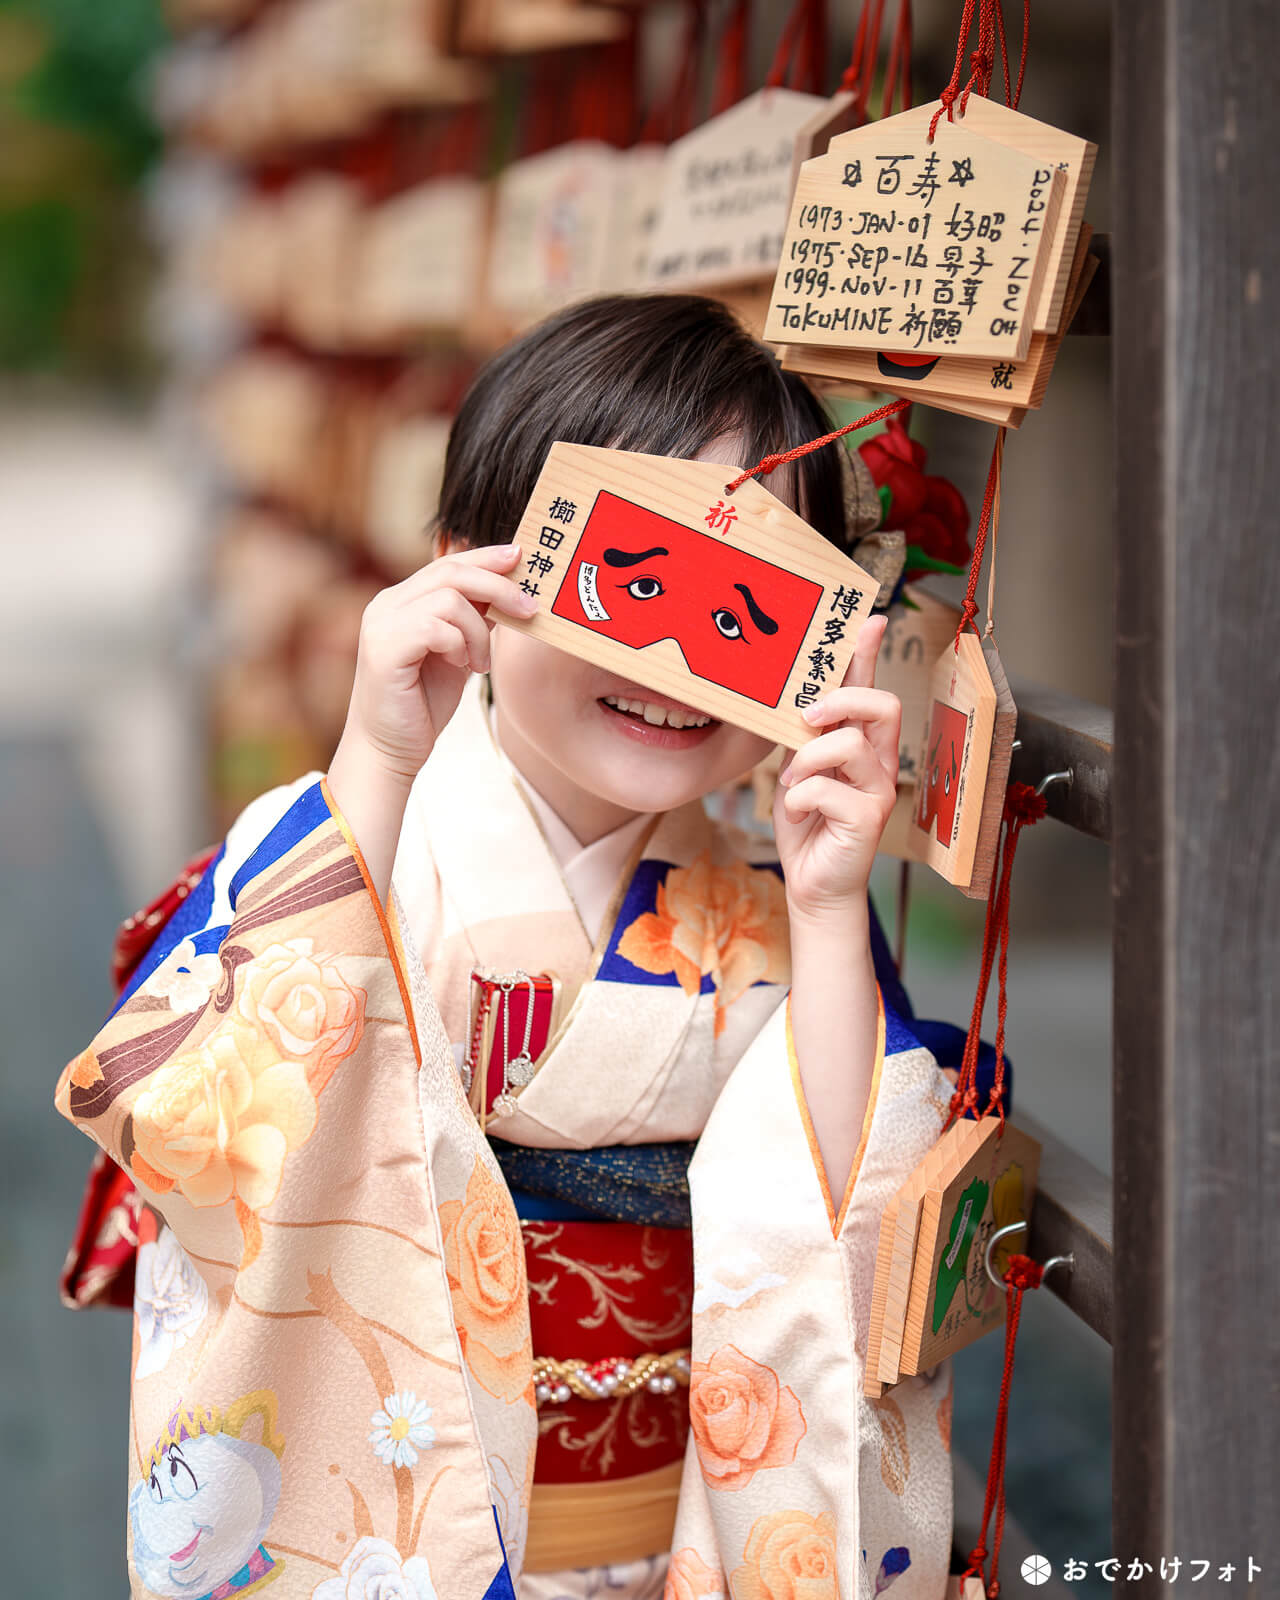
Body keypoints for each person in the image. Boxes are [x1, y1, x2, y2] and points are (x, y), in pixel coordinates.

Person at [56, 295, 961, 1600]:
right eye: (633, 578)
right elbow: (206, 1134)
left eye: (744, 611)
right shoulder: (341, 834)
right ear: (465, 566)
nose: (671, 657)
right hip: (406, 1513)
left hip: (670, 1540)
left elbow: (842, 1226)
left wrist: (826, 910)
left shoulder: (773, 894)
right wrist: (373, 757)